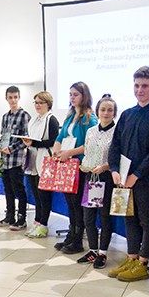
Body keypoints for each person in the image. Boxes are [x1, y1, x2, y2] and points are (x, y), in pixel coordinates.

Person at [107, 66, 149, 281]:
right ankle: (132, 257)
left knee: (146, 221)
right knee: (129, 219)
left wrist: (137, 175)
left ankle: (143, 262)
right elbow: (115, 144)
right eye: (136, 85)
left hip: (145, 180)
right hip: (124, 179)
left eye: (144, 86)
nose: (139, 90)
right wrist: (114, 170)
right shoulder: (127, 114)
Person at [51, 82, 98, 254]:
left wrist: (69, 152)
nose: (72, 97)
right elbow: (60, 136)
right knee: (70, 203)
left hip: (79, 165)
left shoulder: (89, 118)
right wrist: (57, 150)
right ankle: (71, 235)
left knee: (77, 204)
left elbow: (90, 145)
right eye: (70, 94)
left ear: (84, 96)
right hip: (67, 165)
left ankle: (78, 239)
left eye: (76, 94)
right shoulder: (70, 116)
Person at [77, 95, 118, 269]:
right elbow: (87, 152)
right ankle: (93, 250)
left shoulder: (117, 132)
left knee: (104, 217)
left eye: (110, 110)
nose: (106, 113)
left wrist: (105, 167)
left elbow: (118, 158)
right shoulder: (91, 131)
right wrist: (84, 166)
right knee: (88, 216)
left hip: (107, 178)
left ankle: (103, 253)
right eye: (103, 109)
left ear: (114, 112)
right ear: (97, 111)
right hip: (91, 178)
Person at [22, 91, 59, 238]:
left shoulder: (51, 120)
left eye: (41, 102)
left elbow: (54, 141)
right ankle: (37, 222)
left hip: (45, 160)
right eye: (36, 102)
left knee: (44, 196)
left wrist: (34, 143)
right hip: (32, 159)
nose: (37, 105)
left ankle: (43, 225)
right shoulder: (34, 120)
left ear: (48, 104)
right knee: (36, 195)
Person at [0, 85, 31, 230]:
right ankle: (9, 216)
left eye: (15, 97)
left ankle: (21, 219)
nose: (13, 100)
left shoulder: (24, 115)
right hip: (5, 160)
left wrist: (11, 148)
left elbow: (26, 139)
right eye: (10, 97)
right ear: (6, 98)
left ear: (19, 97)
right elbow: (3, 135)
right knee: (8, 190)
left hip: (17, 159)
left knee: (19, 190)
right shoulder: (5, 116)